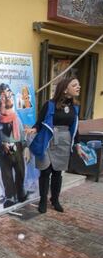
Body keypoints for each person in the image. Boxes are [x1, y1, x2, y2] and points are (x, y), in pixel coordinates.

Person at [26, 77, 85, 213]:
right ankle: (43, 201)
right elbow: (39, 122)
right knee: (45, 171)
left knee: (58, 172)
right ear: (65, 89)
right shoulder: (50, 104)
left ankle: (55, 199)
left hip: (64, 141)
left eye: (79, 85)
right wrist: (33, 130)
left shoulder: (75, 107)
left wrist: (78, 146)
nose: (79, 87)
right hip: (48, 139)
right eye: (75, 85)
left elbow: (75, 128)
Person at [0, 83, 31, 208]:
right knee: (6, 175)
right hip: (3, 153)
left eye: (9, 94)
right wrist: (1, 144)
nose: (7, 98)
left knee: (20, 172)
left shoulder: (17, 120)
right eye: (3, 97)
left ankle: (20, 192)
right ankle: (10, 196)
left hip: (17, 149)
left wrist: (26, 147)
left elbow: (23, 136)